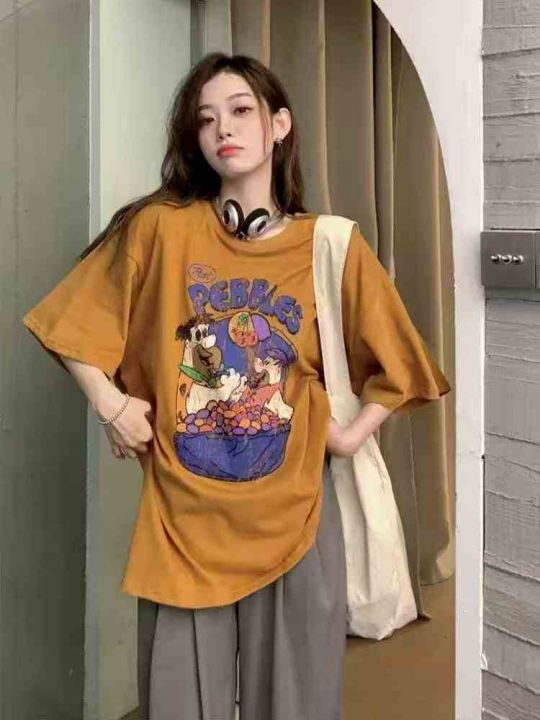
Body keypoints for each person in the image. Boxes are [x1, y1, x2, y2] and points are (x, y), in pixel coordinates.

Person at [22, 52, 451, 719]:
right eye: (206, 119)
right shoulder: (160, 229)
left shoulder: (326, 243)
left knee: (298, 707)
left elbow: (401, 364)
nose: (223, 127)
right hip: (184, 522)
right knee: (177, 705)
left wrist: (345, 437)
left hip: (298, 515)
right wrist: (110, 403)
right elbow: (69, 322)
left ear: (279, 125)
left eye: (241, 110)